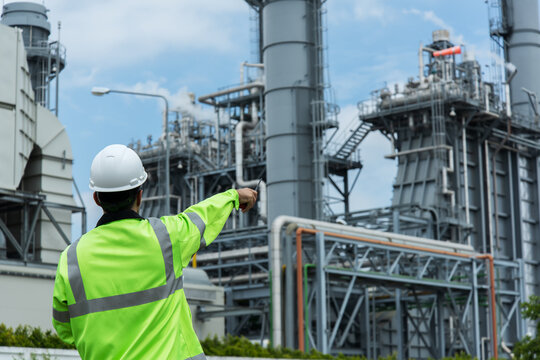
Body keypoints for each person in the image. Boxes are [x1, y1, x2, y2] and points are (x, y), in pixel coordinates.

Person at [52, 144, 257, 359]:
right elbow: (201, 218)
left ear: (96, 199)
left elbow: (65, 328)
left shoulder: (71, 258)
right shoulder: (166, 237)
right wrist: (233, 196)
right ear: (140, 195)